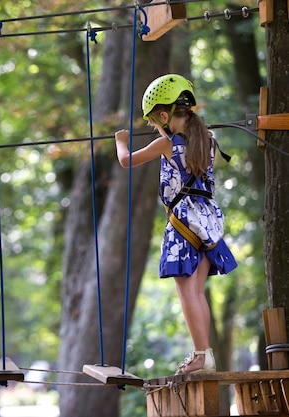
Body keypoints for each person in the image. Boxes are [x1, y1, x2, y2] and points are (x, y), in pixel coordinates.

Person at [114, 74, 237, 374]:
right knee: (197, 292)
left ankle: (200, 354)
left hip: (182, 224)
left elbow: (126, 161)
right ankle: (204, 355)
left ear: (165, 115)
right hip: (207, 223)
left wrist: (120, 141)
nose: (157, 128)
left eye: (156, 122)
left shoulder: (166, 144)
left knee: (187, 293)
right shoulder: (206, 139)